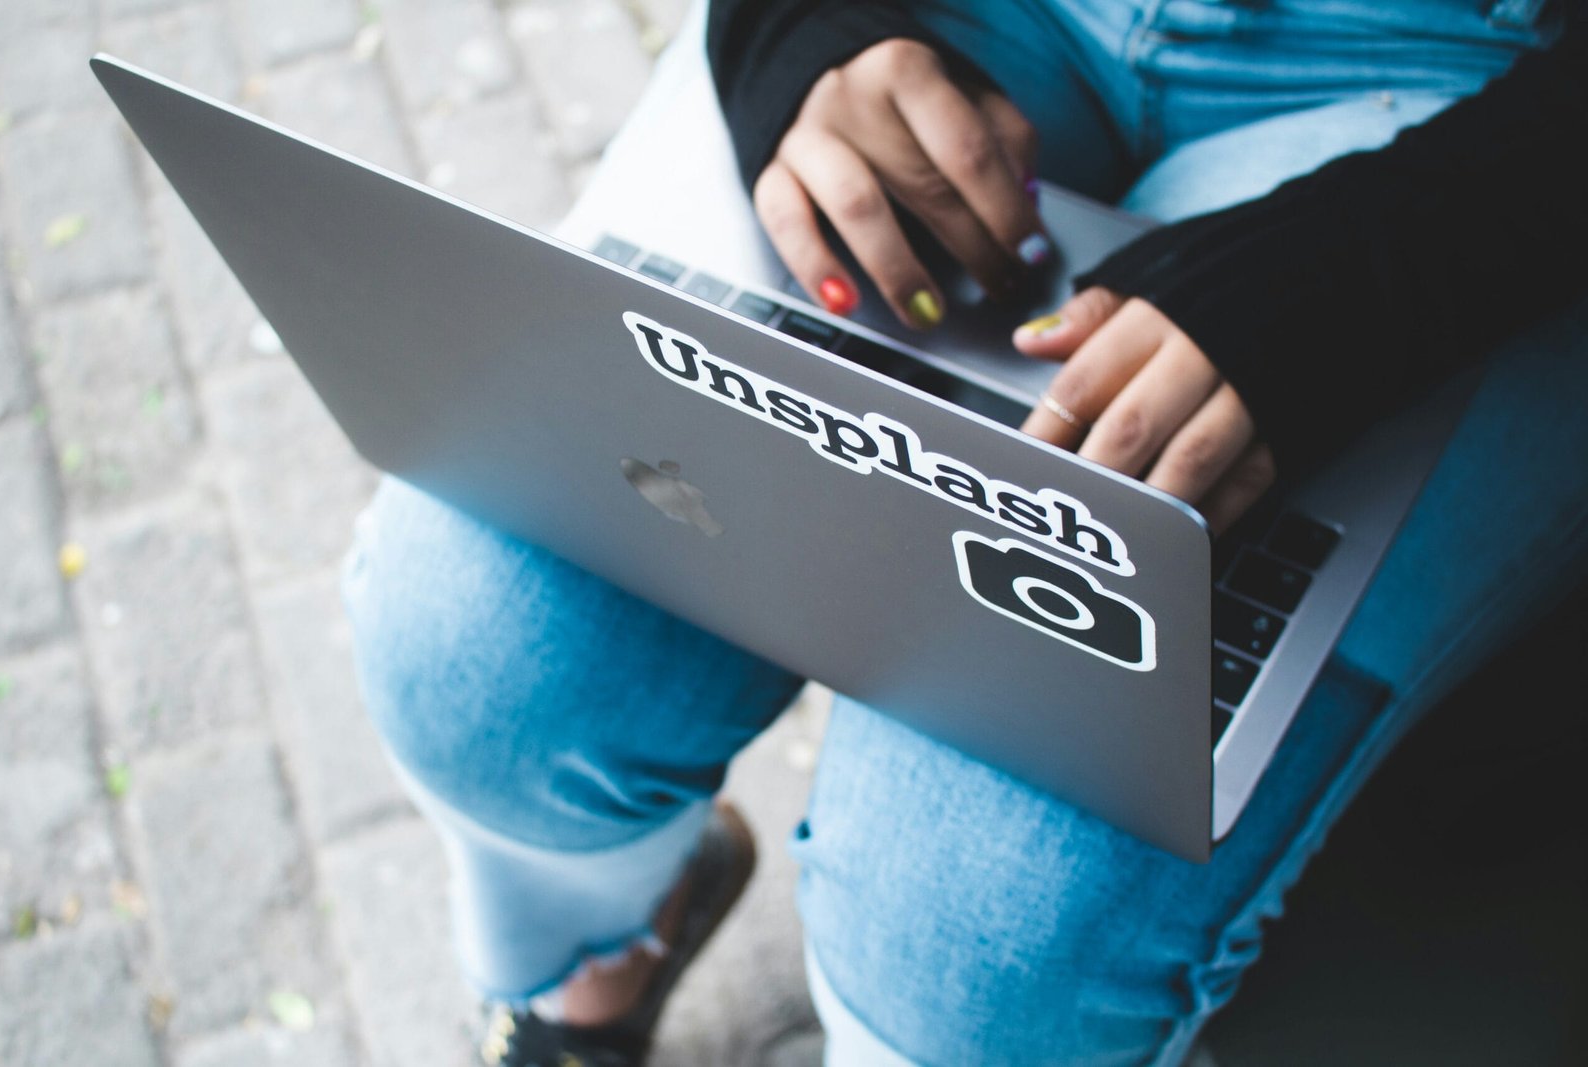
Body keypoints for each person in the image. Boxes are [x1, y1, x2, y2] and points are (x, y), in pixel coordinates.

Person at [342, 0, 1588, 1063]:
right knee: (467, 651)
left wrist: (1364, 274)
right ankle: (592, 972)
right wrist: (803, 33)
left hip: (1480, 88)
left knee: (971, 936)